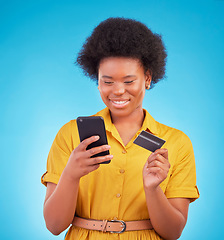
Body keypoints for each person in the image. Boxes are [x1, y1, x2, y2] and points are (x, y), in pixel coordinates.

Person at [41, 17, 199, 240]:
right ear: (96, 80)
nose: (117, 91)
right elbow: (54, 226)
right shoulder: (70, 135)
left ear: (147, 78)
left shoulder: (177, 142)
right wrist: (70, 175)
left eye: (128, 81)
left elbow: (173, 233)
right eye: (107, 81)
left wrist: (153, 190)